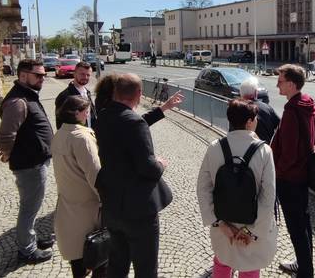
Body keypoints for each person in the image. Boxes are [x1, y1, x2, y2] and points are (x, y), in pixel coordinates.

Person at [94, 74, 183, 277]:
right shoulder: (133, 123)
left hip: (112, 205)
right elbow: (147, 168)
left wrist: (163, 109)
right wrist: (160, 164)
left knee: (117, 264)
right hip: (138, 211)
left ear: (115, 92)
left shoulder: (104, 116)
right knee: (145, 268)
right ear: (139, 94)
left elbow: (131, 125)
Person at [197, 98, 277, 278]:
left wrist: (219, 223)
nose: (257, 121)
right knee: (250, 267)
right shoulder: (264, 151)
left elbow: (203, 188)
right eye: (255, 118)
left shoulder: (215, 147)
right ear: (249, 122)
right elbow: (268, 196)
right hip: (252, 224)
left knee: (222, 261)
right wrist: (251, 231)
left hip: (223, 224)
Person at [0, 59, 55, 264]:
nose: (42, 79)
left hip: (35, 161)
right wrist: (8, 153)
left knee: (33, 206)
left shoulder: (27, 95)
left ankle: (31, 240)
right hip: (30, 165)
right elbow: (5, 135)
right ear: (22, 75)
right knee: (29, 208)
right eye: (38, 75)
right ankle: (27, 250)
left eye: (43, 75)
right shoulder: (18, 101)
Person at [271, 64, 315, 277]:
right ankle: (303, 265)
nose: (277, 85)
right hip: (303, 176)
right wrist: (305, 150)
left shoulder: (292, 109)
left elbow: (290, 153)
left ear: (292, 84)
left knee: (296, 228)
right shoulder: (308, 102)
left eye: (280, 81)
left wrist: (279, 172)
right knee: (304, 224)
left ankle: (305, 272)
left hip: (290, 179)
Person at [51, 96, 106, 278]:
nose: (88, 113)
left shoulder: (59, 134)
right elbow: (95, 175)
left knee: (77, 259)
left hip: (68, 205)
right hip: (88, 208)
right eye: (86, 110)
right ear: (76, 113)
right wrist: (107, 200)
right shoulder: (82, 137)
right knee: (98, 257)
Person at [233, 77, 280, 143]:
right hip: (264, 148)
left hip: (241, 147)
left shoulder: (235, 109)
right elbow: (279, 125)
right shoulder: (267, 108)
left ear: (241, 93)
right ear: (255, 93)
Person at [55, 61, 97, 130]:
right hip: (75, 137)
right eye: (82, 74)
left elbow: (91, 116)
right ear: (74, 74)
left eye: (88, 75)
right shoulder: (65, 96)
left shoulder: (87, 93)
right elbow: (60, 125)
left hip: (88, 134)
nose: (85, 77)